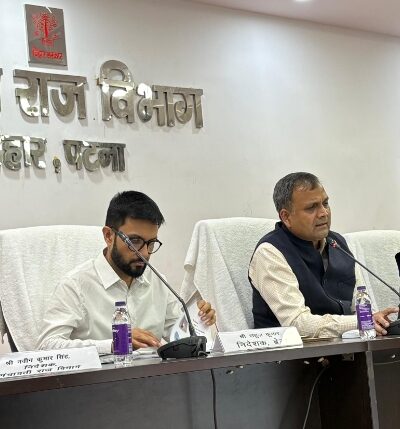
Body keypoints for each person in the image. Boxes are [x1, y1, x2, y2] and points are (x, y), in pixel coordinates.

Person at [38, 191, 216, 353]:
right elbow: (47, 346)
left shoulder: (158, 281)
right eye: (134, 241)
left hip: (155, 375)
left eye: (151, 243)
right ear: (108, 236)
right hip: (101, 377)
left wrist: (200, 322)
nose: (144, 253)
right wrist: (115, 344)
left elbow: (179, 336)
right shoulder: (75, 286)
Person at [249, 172, 397, 338]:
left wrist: (378, 322)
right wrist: (361, 321)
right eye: (311, 208)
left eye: (325, 203)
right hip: (289, 352)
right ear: (286, 217)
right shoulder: (270, 252)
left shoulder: (337, 243)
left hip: (345, 348)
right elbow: (297, 324)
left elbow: (361, 305)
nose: (323, 213)